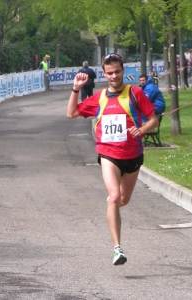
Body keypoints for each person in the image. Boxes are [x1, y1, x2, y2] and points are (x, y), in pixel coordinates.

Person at [66, 53, 158, 266]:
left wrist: (141, 129)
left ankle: (113, 204)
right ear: (104, 74)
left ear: (123, 71)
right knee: (115, 196)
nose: (114, 76)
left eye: (117, 71)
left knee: (122, 200)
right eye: (110, 73)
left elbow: (153, 120)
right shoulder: (99, 97)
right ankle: (117, 248)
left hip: (133, 155)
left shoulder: (135, 94)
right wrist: (76, 89)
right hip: (108, 154)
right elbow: (71, 113)